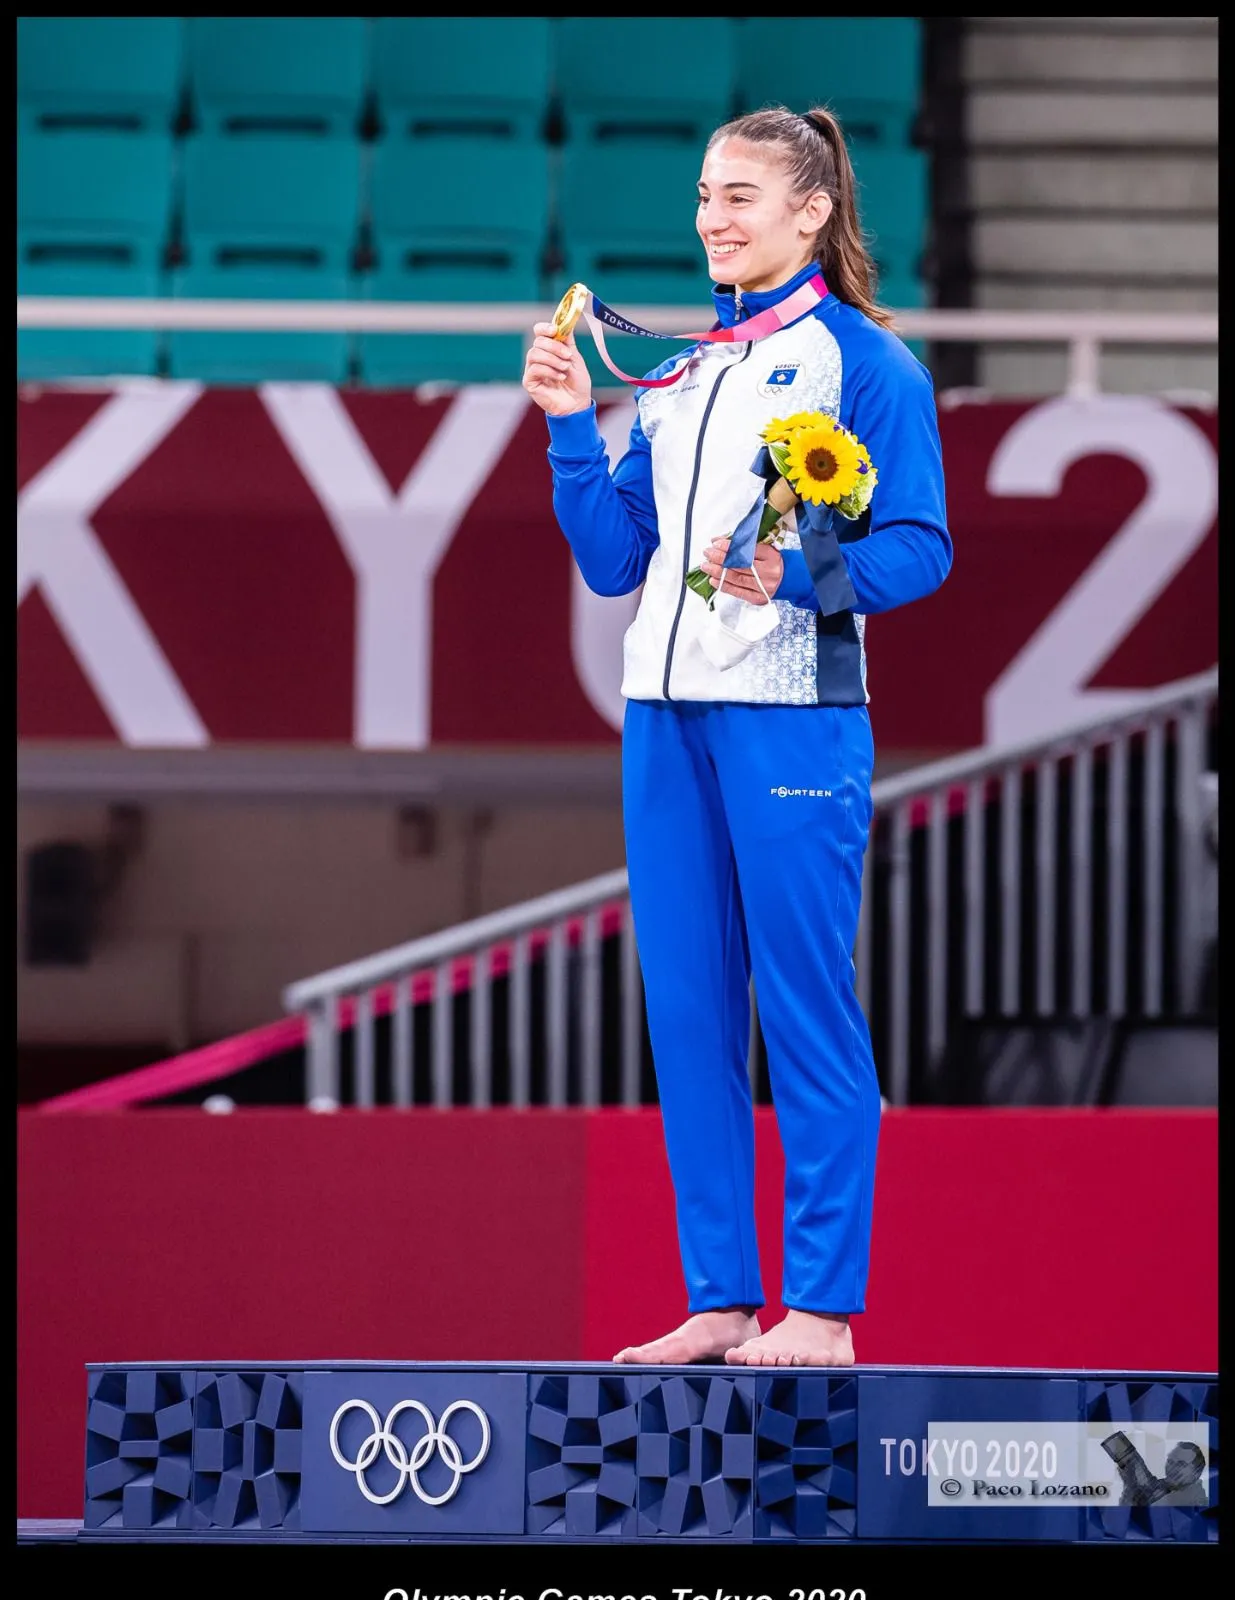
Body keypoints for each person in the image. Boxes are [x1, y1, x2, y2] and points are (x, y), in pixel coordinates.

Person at [523, 104, 952, 1367]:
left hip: (793, 723)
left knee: (805, 1011)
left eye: (739, 196)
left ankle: (817, 1310)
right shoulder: (683, 370)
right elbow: (615, 563)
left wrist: (805, 567)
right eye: (703, 195)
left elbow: (919, 550)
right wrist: (563, 422)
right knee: (690, 1016)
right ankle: (720, 1295)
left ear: (810, 211)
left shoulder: (864, 362)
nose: (711, 217)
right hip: (659, 720)